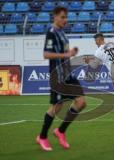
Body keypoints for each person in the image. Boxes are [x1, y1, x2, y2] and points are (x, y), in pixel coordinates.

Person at [36, 6, 86, 151]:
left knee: (81, 102)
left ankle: (60, 131)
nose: (66, 20)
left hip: (68, 74)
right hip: (57, 76)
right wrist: (66, 55)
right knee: (56, 108)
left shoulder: (63, 34)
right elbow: (46, 54)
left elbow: (65, 54)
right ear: (55, 17)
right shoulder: (51, 33)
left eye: (66, 17)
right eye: (63, 17)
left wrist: (70, 53)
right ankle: (43, 137)